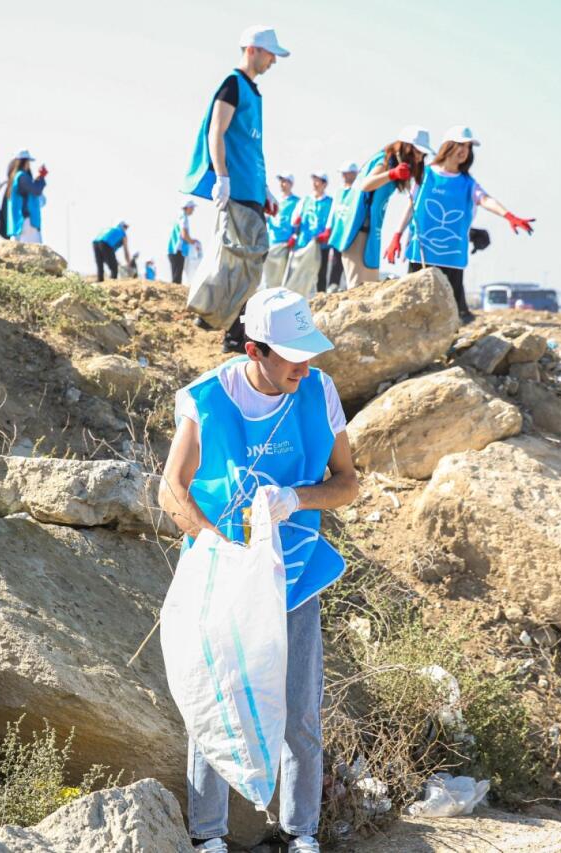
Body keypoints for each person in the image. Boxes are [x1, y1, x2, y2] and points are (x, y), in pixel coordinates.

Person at [158, 287, 359, 853]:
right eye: (291, 355)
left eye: (307, 352)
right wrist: (212, 543)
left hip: (294, 576)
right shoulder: (205, 399)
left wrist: (295, 498)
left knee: (299, 710)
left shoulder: (319, 393)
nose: (304, 365)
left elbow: (348, 483)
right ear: (255, 351)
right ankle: (209, 838)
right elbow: (171, 488)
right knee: (216, 703)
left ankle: (302, 835)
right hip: (224, 578)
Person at [181, 26, 288, 352]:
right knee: (242, 260)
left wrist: (265, 188)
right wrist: (222, 177)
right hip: (238, 189)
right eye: (271, 54)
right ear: (254, 50)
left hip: (251, 189)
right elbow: (217, 130)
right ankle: (231, 333)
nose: (273, 61)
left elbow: (250, 147)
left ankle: (221, 323)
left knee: (250, 261)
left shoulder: (253, 92)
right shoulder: (233, 85)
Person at [386, 127, 534, 324]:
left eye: (468, 147)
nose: (464, 150)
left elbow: (486, 199)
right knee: (416, 303)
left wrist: (509, 216)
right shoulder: (426, 174)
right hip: (422, 250)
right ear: (448, 146)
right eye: (460, 145)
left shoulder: (467, 183)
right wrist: (396, 235)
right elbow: (410, 206)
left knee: (452, 312)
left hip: (452, 255)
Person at [326, 126, 433, 289]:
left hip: (371, 233)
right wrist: (392, 174)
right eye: (418, 152)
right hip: (357, 231)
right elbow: (365, 185)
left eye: (422, 154)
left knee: (370, 287)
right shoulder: (385, 160)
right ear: (406, 147)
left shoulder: (398, 164)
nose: (419, 158)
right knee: (357, 288)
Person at [281, 172, 333, 296]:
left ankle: (320, 299)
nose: (315, 184)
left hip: (321, 246)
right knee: (301, 273)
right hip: (304, 245)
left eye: (318, 181)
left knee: (321, 274)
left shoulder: (330, 202)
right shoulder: (305, 201)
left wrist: (326, 233)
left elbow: (331, 221)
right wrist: (294, 232)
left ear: (324, 184)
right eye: (314, 181)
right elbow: (294, 220)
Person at [0, 150, 47, 245]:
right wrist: (41, 179)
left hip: (19, 222)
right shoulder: (22, 177)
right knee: (35, 250)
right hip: (25, 222)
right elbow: (36, 190)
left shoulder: (15, 177)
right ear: (25, 162)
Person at [262, 173, 301, 288]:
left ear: (291, 184)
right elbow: (266, 218)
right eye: (281, 181)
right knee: (268, 278)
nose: (282, 184)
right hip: (271, 243)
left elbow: (299, 223)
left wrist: (294, 237)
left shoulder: (297, 202)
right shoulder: (273, 200)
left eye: (285, 181)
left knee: (282, 278)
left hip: (286, 244)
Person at [325, 160, 359, 291]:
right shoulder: (339, 191)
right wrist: (328, 228)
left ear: (353, 174)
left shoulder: (358, 191)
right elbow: (333, 210)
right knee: (336, 261)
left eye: (346, 173)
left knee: (350, 261)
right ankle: (333, 286)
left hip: (351, 233)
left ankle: (351, 286)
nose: (344, 176)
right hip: (338, 232)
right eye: (343, 173)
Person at [167, 201, 201, 284]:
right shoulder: (183, 217)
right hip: (177, 250)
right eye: (192, 208)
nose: (193, 210)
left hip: (174, 250)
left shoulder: (179, 216)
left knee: (176, 276)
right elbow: (184, 234)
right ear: (188, 207)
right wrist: (193, 242)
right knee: (177, 278)